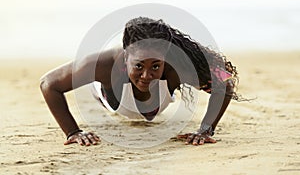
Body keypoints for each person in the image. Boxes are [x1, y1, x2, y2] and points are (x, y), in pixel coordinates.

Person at [40, 17, 239, 146]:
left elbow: (226, 83)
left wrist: (206, 130)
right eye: (138, 66)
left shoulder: (177, 68)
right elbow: (49, 84)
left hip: (157, 104)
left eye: (155, 66)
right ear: (125, 57)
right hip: (112, 99)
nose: (146, 75)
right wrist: (73, 132)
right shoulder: (103, 65)